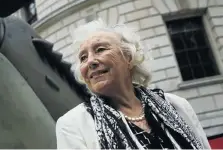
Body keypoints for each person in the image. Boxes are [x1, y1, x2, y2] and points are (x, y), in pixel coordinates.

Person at [55, 19, 211, 149]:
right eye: (83, 58)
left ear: (129, 57)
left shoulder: (178, 106)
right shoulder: (72, 125)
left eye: (100, 49)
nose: (90, 62)